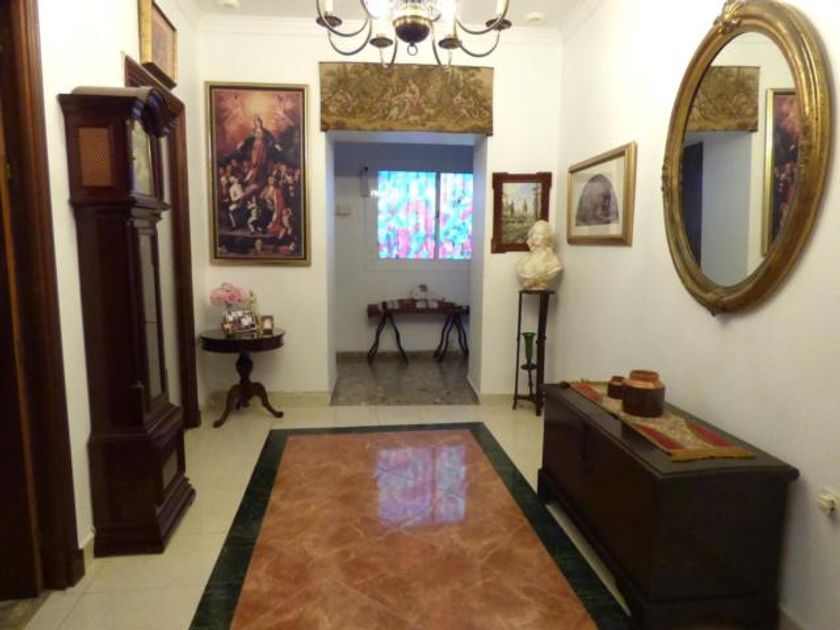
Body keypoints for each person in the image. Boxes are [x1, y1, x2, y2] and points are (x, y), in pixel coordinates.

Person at [516, 220, 562, 290]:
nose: (536, 237)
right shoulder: (524, 262)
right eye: (535, 233)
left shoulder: (553, 262)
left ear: (547, 237)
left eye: (540, 234)